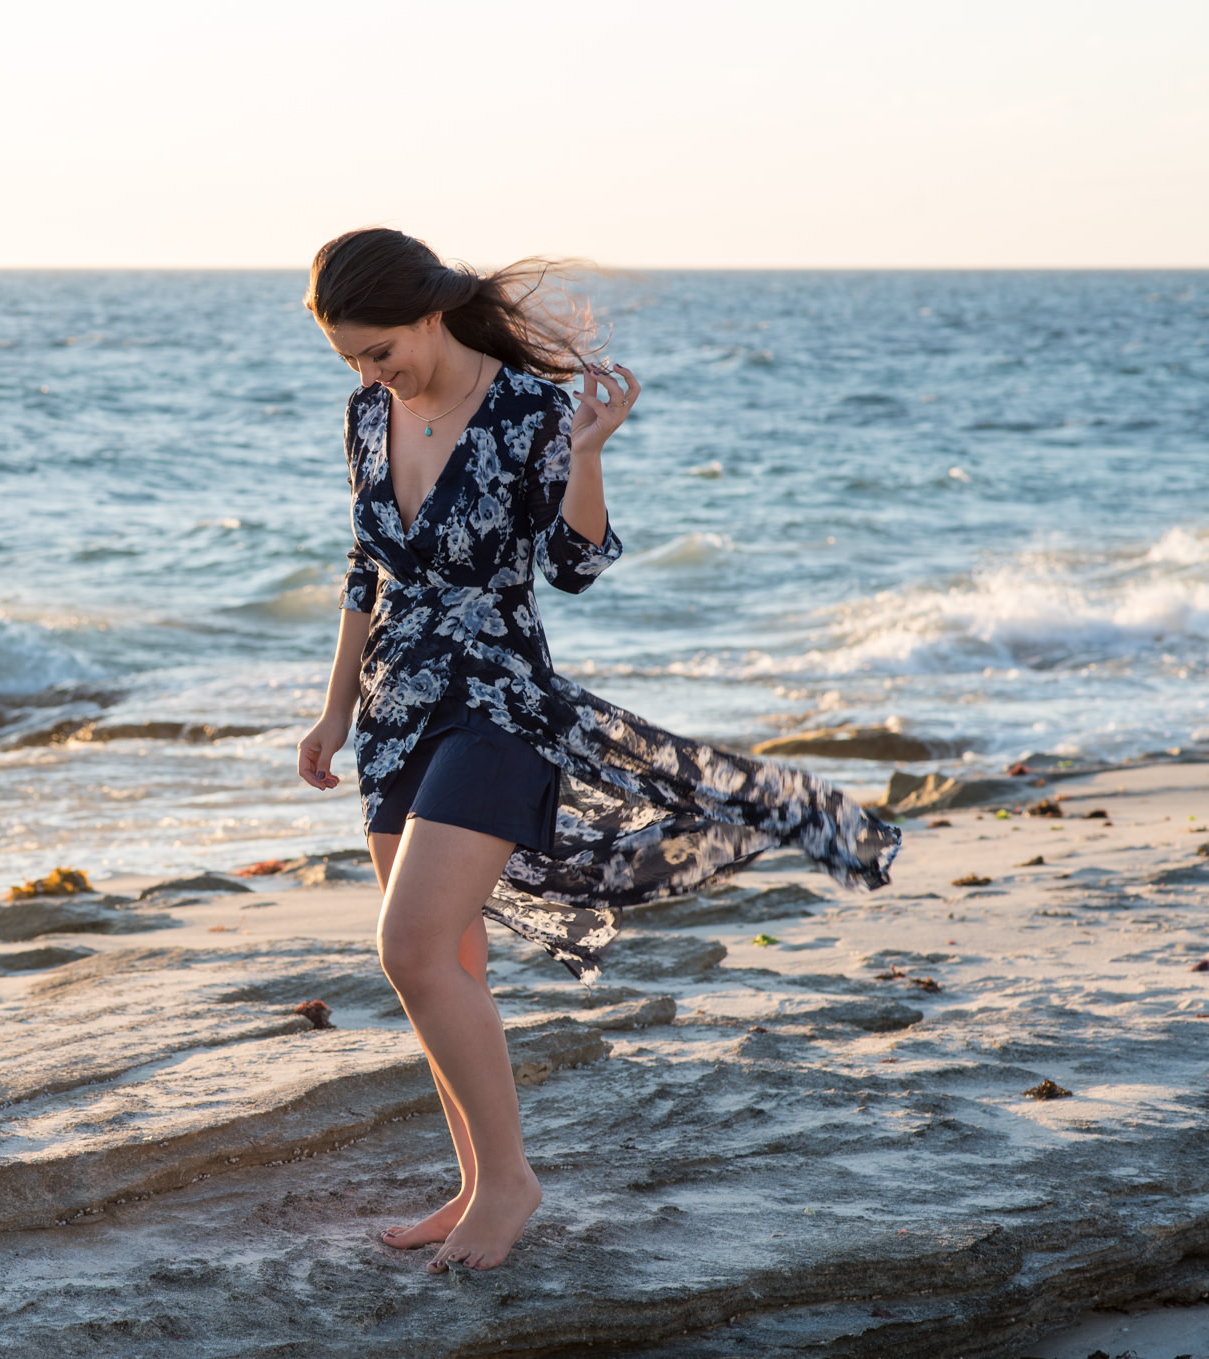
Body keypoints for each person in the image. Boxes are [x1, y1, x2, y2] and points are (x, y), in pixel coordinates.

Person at [295, 228, 900, 1273]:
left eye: (378, 350)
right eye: (351, 357)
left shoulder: (531, 409)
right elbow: (365, 565)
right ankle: (480, 1179)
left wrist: (585, 458)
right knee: (448, 960)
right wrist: (332, 709)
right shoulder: (365, 413)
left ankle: (510, 1185)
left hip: (499, 703)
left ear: (428, 313)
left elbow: (570, 565)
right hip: (396, 708)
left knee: (409, 947)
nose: (367, 373)